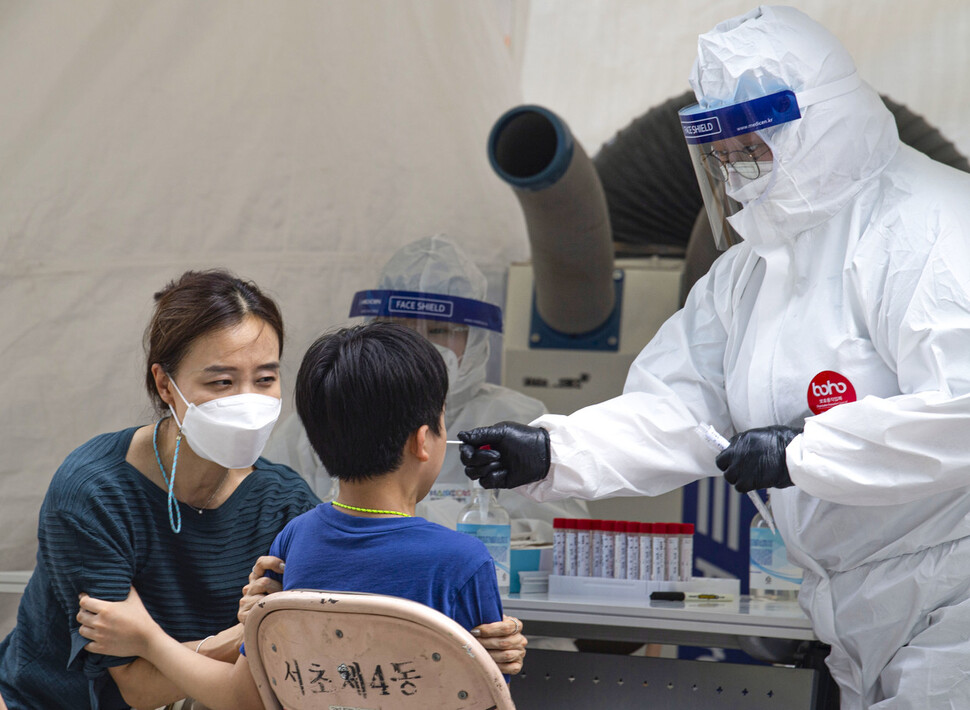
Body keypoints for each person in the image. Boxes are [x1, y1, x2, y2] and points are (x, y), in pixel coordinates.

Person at [459, 6, 970, 708]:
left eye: (749, 149)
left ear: (813, 127)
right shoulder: (752, 272)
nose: (735, 171)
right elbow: (679, 406)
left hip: (956, 597)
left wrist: (802, 451)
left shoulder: (935, 230)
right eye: (721, 154)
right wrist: (551, 450)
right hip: (855, 605)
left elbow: (961, 409)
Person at [75, 322, 524, 710]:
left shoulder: (294, 541)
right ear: (425, 440)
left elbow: (244, 696)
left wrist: (150, 640)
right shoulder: (463, 562)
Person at [0, 269, 321, 710]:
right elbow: (135, 686)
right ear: (165, 384)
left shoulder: (286, 502)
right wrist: (248, 633)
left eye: (265, 379)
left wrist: (154, 640)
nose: (248, 402)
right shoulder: (93, 494)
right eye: (221, 383)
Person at [263, 234, 589, 531]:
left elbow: (564, 535)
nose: (419, 347)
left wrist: (442, 525)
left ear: (475, 340)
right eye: (401, 329)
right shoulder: (328, 412)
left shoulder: (517, 421)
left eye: (439, 331)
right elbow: (266, 518)